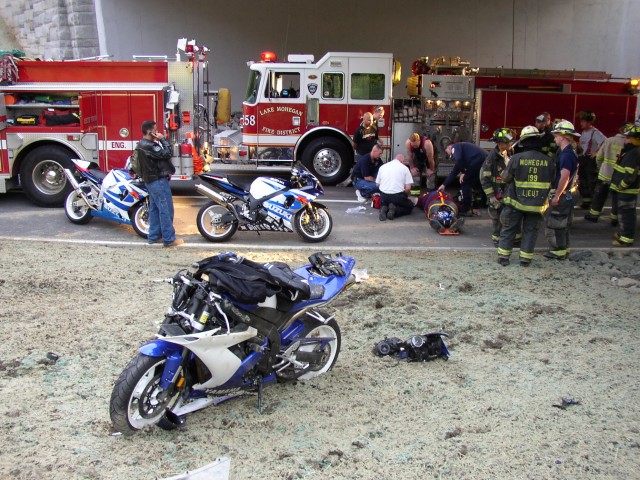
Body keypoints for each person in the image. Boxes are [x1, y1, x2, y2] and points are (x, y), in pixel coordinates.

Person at [497, 126, 555, 267]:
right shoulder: (548, 161)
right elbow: (552, 181)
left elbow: (505, 178)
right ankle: (525, 259)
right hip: (537, 205)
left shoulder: (517, 158)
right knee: (530, 231)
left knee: (509, 228)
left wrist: (505, 167)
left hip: (516, 203)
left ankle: (504, 258)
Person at [137, 120, 183, 247]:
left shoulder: (141, 144)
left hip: (149, 180)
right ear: (150, 131)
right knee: (165, 209)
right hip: (157, 180)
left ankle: (154, 236)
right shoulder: (150, 146)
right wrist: (163, 140)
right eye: (155, 130)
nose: (157, 132)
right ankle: (169, 239)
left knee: (155, 209)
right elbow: (168, 153)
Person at [543, 120, 580, 260]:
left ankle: (558, 251)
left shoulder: (566, 155)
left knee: (556, 222)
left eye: (556, 135)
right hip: (570, 194)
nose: (554, 138)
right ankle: (564, 248)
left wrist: (557, 196)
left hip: (564, 195)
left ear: (563, 136)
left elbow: (564, 176)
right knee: (564, 223)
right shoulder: (570, 152)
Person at [584, 122, 631, 225]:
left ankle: (594, 216)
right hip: (619, 176)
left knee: (599, 196)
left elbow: (599, 157)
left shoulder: (609, 141)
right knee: (616, 198)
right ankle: (614, 219)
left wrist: (600, 168)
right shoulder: (628, 144)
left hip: (605, 174)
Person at [480, 128, 515, 246]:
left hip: (507, 193)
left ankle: (509, 240)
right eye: (506, 143)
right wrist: (491, 197)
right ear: (499, 143)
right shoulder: (491, 159)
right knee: (497, 220)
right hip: (497, 195)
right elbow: (484, 179)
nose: (509, 144)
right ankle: (497, 240)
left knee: (507, 218)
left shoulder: (509, 153)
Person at [610, 123, 640, 247]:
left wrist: (622, 185)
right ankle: (624, 233)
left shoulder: (635, 153)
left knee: (626, 214)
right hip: (623, 189)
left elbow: (631, 174)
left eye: (628, 138)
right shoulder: (630, 151)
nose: (626, 139)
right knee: (623, 213)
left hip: (627, 190)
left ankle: (626, 238)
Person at [437, 142, 487, 215]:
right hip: (482, 160)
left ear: (449, 147)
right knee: (477, 182)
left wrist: (463, 172)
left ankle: (466, 209)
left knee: (465, 182)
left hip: (478, 161)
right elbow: (454, 171)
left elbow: (459, 159)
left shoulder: (455, 147)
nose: (447, 154)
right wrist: (444, 184)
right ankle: (483, 203)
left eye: (446, 152)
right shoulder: (463, 153)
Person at [576, 111, 606, 209]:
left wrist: (596, 153)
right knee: (582, 181)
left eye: (583, 121)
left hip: (590, 161)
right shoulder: (584, 132)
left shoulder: (595, 132)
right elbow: (582, 145)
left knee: (591, 182)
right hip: (583, 159)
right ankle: (586, 202)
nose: (581, 123)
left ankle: (595, 205)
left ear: (589, 122)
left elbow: (604, 142)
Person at [375, 154, 415, 221]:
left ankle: (384, 208)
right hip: (397, 196)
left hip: (384, 196)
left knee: (385, 202)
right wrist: (406, 195)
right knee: (409, 206)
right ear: (402, 161)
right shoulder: (405, 168)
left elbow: (377, 184)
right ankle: (395, 211)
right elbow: (408, 188)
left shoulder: (382, 167)